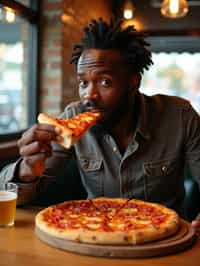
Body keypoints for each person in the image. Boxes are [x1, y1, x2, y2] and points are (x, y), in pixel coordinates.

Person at [0, 18, 200, 228]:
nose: (89, 95)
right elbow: (12, 199)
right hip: (94, 231)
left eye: (105, 82)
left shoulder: (179, 116)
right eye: (83, 83)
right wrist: (27, 169)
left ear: (134, 81)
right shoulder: (72, 120)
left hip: (166, 241)